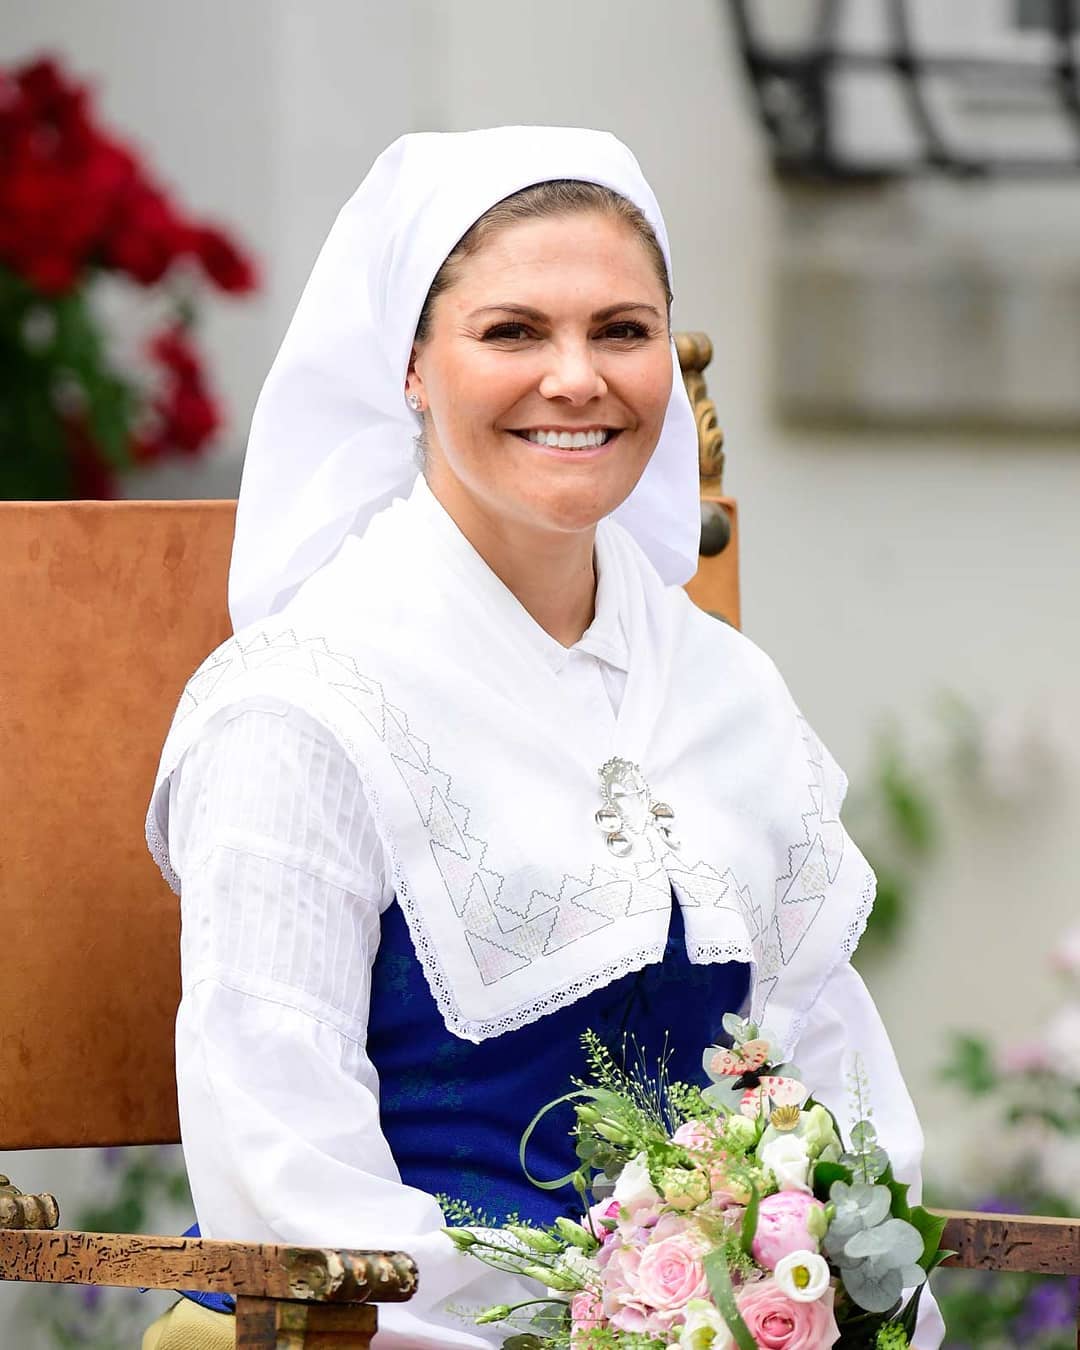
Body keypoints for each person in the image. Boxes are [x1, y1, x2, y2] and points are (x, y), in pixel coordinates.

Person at [143, 127, 944, 1348]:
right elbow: (281, 1159)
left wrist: (840, 1298)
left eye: (621, 331)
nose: (576, 379)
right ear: (411, 368)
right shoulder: (301, 703)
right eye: (513, 332)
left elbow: (835, 1081)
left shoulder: (729, 687)